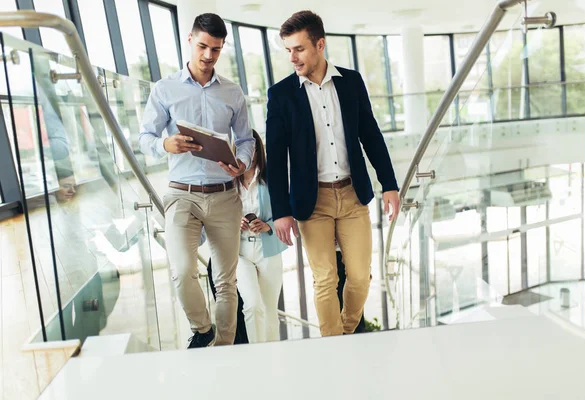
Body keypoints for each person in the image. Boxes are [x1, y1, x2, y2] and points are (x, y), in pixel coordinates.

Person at [265, 10, 400, 337]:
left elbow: (371, 135)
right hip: (314, 201)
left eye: (299, 49)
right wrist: (280, 212)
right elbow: (275, 159)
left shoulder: (351, 82)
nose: (292, 57)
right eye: (288, 51)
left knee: (359, 276)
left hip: (353, 195)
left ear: (320, 44)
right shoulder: (281, 95)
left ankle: (343, 333)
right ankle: (333, 346)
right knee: (325, 278)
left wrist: (389, 185)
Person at [139, 13, 255, 348]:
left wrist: (242, 162)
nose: (208, 55)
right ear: (189, 40)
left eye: (215, 50)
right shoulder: (165, 89)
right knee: (182, 269)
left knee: (226, 281)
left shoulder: (233, 93)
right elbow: (145, 137)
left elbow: (246, 140)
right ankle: (203, 330)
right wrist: (166, 144)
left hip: (224, 196)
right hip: (182, 195)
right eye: (203, 46)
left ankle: (223, 350)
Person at [237, 130, 286, 343]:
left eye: (252, 147)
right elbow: (216, 216)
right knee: (252, 305)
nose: (249, 152)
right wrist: (233, 222)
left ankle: (272, 359)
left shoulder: (271, 179)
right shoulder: (227, 184)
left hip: (268, 249)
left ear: (258, 150)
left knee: (269, 310)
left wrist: (267, 226)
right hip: (239, 252)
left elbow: (286, 212)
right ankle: (256, 356)